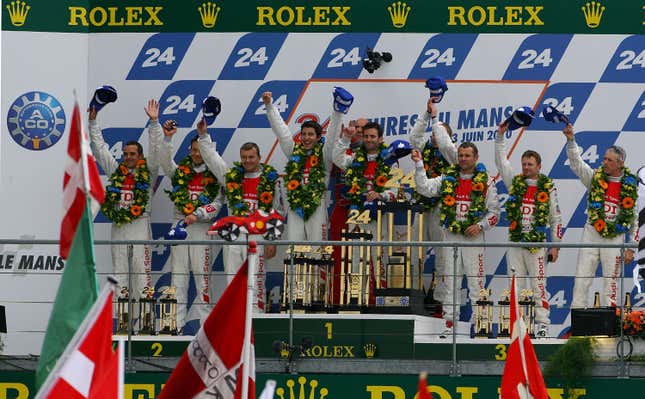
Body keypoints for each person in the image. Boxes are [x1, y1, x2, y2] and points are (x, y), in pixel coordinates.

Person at [412, 139, 500, 338]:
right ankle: (449, 326)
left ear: (476, 158)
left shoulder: (486, 181)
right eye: (460, 155)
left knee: (477, 284)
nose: (463, 159)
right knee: (450, 284)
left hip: (473, 240)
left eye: (467, 155)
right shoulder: (447, 178)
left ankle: (481, 327)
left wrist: (480, 225)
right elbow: (424, 188)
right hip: (450, 237)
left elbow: (495, 213)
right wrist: (419, 164)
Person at [196, 125, 283, 313]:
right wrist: (203, 136)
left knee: (257, 281)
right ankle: (234, 326)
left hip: (258, 238)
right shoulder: (232, 177)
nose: (247, 161)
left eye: (251, 157)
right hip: (234, 237)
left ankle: (256, 323)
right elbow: (213, 160)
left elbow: (278, 211)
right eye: (244, 157)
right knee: (233, 281)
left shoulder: (270, 179)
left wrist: (272, 240)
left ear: (259, 157)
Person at [495, 122, 563, 337]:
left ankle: (543, 326)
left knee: (538, 287)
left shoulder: (548, 187)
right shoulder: (515, 183)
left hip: (537, 246)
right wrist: (500, 137)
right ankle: (516, 326)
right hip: (515, 244)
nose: (525, 167)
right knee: (514, 287)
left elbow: (556, 219)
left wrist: (555, 247)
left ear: (538, 166)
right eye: (523, 164)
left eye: (530, 164)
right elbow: (501, 163)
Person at [88, 99, 160, 301]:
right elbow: (100, 149)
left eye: (133, 154)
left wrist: (154, 124)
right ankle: (122, 325)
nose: (128, 157)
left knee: (142, 277)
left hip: (140, 225)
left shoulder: (149, 171)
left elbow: (156, 151)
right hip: (119, 226)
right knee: (119, 277)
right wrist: (93, 122)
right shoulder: (116, 171)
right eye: (126, 154)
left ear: (140, 156)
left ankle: (143, 328)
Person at [157, 120, 223, 332]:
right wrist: (167, 139)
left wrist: (198, 214)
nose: (196, 154)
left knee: (203, 283)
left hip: (202, 230)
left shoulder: (216, 175)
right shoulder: (181, 172)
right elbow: (166, 163)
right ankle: (174, 329)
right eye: (193, 150)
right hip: (180, 228)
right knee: (178, 280)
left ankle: (206, 331)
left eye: (200, 151)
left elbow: (218, 204)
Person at [563, 124, 637, 308]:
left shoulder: (630, 186)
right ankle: (578, 329)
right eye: (604, 159)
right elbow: (577, 165)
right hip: (592, 233)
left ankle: (609, 331)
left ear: (621, 163)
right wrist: (571, 140)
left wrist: (631, 248)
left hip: (615, 238)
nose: (605, 162)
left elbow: (635, 220)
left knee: (610, 285)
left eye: (610, 160)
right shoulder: (595, 177)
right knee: (581, 280)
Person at [261, 89, 345, 243]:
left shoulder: (324, 155)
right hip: (295, 206)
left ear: (319, 137)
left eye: (311, 134)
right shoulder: (294, 152)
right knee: (294, 249)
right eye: (303, 134)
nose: (306, 138)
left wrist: (338, 112)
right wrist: (269, 107)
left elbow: (332, 135)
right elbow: (282, 132)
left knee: (318, 250)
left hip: (317, 207)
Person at [332, 121, 398, 302]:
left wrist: (381, 194)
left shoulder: (389, 159)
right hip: (356, 213)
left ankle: (379, 300)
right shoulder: (355, 158)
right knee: (354, 256)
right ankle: (356, 298)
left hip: (377, 214)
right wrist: (345, 137)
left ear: (380, 138)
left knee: (378, 257)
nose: (369, 140)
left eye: (372, 137)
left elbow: (396, 190)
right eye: (366, 136)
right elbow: (337, 158)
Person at [408, 98, 452, 309]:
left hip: (442, 208)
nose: (435, 137)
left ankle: (441, 298)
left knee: (443, 255)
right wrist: (426, 114)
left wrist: (435, 117)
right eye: (433, 133)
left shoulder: (452, 156)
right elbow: (414, 136)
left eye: (439, 134)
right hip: (421, 206)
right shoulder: (424, 149)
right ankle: (415, 292)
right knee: (415, 252)